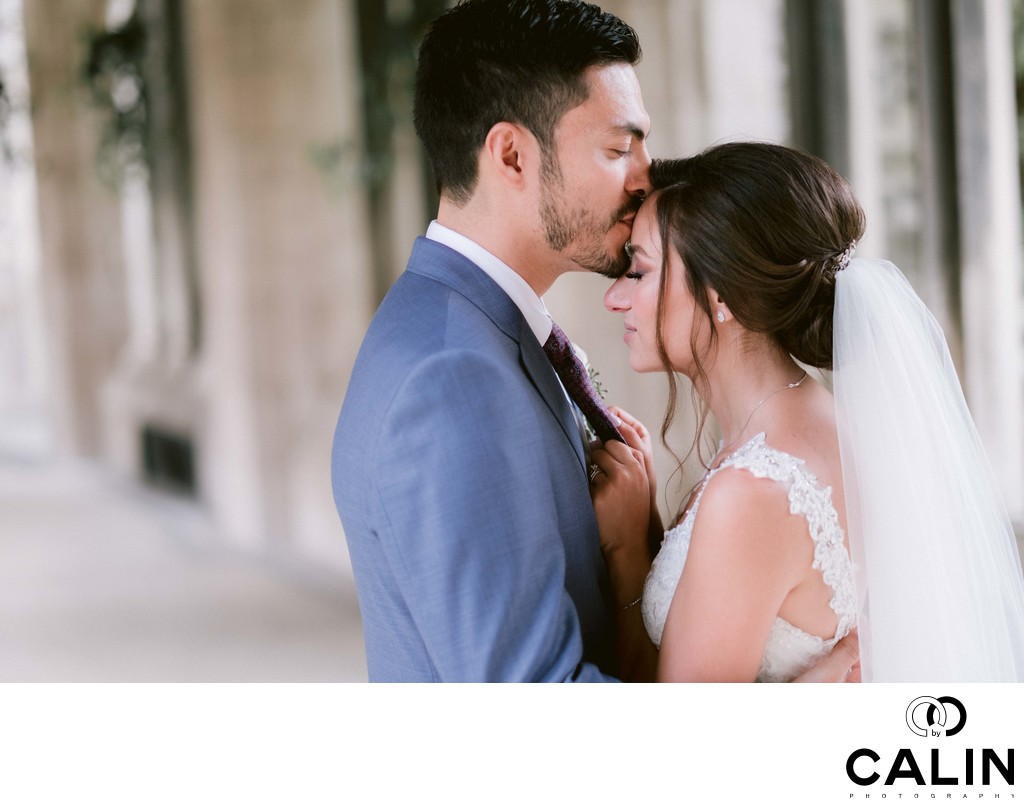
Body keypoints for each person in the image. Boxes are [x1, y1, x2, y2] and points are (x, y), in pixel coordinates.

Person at [333, 0, 856, 682]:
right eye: (617, 148)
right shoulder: (451, 376)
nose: (646, 175)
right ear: (512, 155)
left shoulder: (483, 332)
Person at [594, 141, 1024, 682]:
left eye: (638, 271)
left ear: (721, 292)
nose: (614, 298)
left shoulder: (752, 492)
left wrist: (628, 552)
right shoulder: (827, 426)